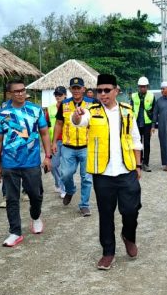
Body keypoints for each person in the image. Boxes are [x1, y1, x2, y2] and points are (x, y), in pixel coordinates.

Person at [72, 73, 143, 270]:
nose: (102, 94)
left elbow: (136, 139)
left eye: (106, 90)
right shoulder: (90, 111)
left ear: (116, 91)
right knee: (105, 213)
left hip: (126, 169)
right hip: (102, 172)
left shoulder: (127, 111)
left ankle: (128, 236)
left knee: (131, 210)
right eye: (99, 91)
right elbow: (78, 121)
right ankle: (108, 252)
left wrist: (138, 166)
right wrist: (76, 115)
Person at [0, 79, 52, 247]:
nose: (21, 94)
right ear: (9, 94)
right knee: (12, 198)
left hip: (31, 162)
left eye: (23, 90)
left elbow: (45, 134)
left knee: (36, 194)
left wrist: (47, 157)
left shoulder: (35, 110)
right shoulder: (3, 114)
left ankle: (36, 216)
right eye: (16, 91)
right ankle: (15, 231)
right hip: (10, 163)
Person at [53, 77, 94, 216]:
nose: (76, 90)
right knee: (65, 175)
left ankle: (84, 205)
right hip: (68, 147)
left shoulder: (92, 104)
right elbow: (58, 123)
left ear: (84, 89)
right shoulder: (64, 104)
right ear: (70, 89)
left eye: (79, 88)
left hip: (86, 146)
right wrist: (54, 143)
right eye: (73, 88)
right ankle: (70, 190)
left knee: (87, 178)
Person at [45, 86, 68, 198]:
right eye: (56, 95)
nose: (58, 97)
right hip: (54, 140)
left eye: (60, 95)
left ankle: (63, 188)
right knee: (54, 165)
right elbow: (46, 125)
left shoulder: (70, 107)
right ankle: (58, 183)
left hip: (67, 140)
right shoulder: (50, 109)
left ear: (65, 95)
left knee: (64, 167)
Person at [131, 76, 156, 172]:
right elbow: (131, 109)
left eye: (144, 86)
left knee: (147, 144)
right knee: (137, 143)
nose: (142, 88)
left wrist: (153, 125)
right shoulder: (133, 96)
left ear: (147, 87)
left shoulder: (151, 96)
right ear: (138, 87)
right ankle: (139, 162)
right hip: (136, 123)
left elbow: (154, 111)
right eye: (141, 86)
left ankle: (146, 163)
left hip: (147, 123)